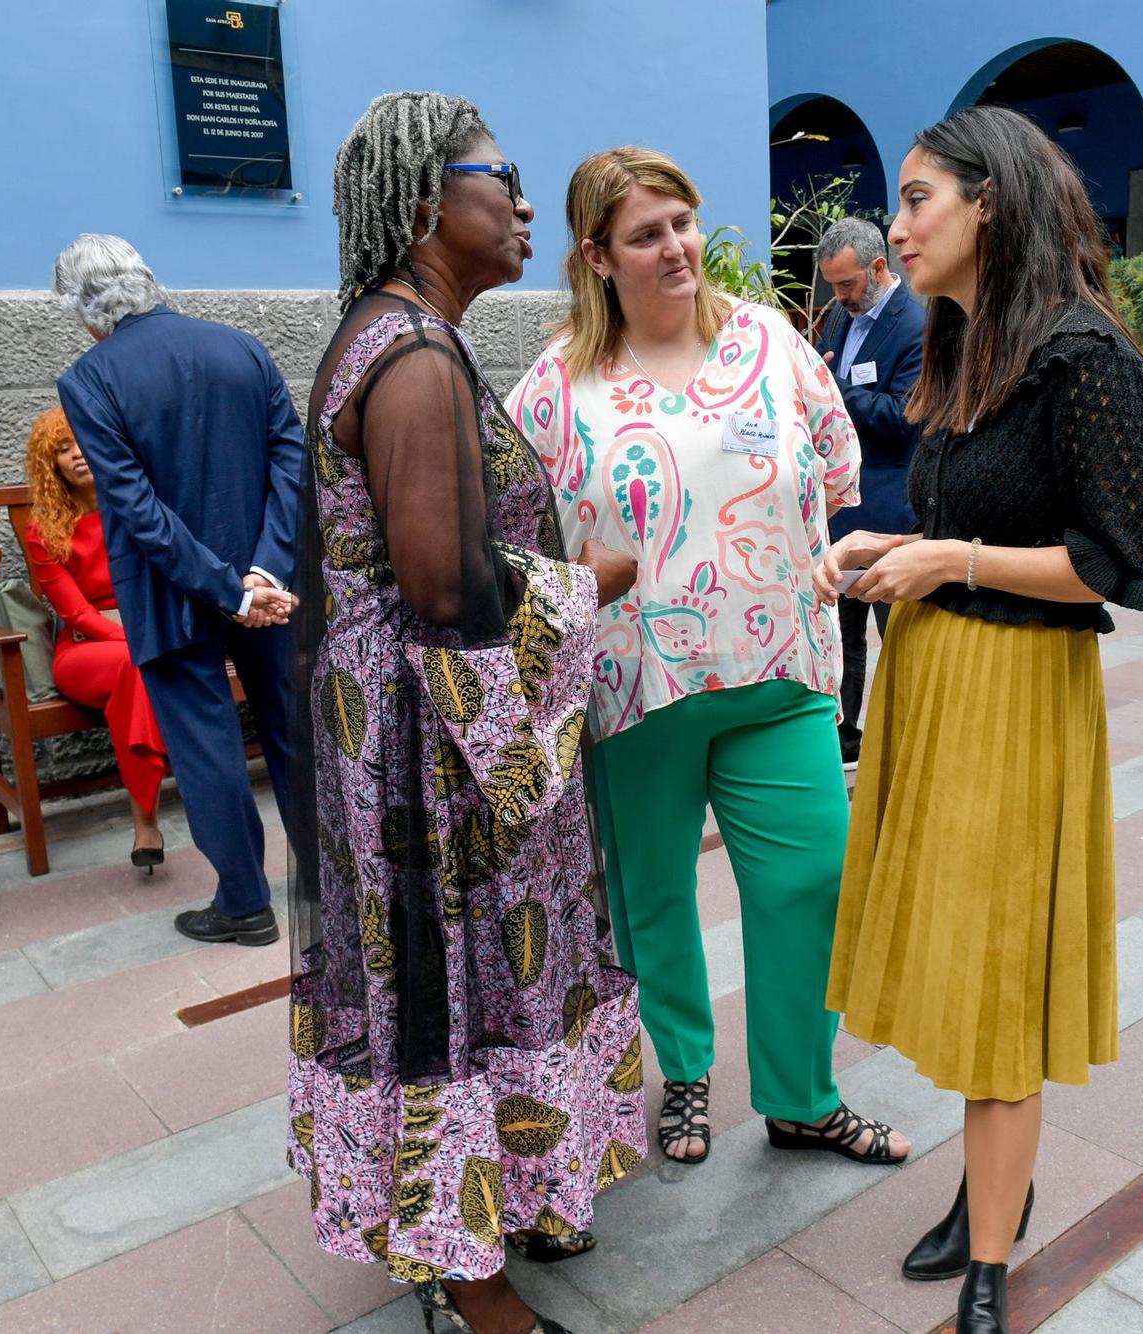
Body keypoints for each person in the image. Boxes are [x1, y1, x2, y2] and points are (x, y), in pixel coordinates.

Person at [814, 106, 1143, 1334]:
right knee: (952, 954)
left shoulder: (1086, 357)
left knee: (997, 979)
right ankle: (993, 1193)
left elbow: (1115, 565)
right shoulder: (962, 345)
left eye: (916, 197)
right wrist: (890, 547)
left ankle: (988, 1265)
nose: (893, 222)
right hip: (935, 682)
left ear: (989, 202)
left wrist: (950, 556)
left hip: (1018, 698)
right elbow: (967, 523)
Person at [286, 92, 645, 1334]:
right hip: (427, 757)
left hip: (412, 731)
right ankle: (465, 1271)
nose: (527, 203)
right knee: (444, 987)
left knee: (480, 980)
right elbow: (440, 583)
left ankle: (506, 1196)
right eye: (504, 177)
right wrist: (587, 581)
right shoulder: (412, 354)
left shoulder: (393, 336)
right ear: (430, 199)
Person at [509, 147, 910, 1173]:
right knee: (651, 897)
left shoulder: (770, 340)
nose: (676, 247)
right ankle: (682, 1068)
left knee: (812, 878)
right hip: (637, 688)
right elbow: (515, 531)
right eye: (646, 234)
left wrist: (804, 561)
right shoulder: (554, 385)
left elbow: (833, 463)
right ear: (598, 256)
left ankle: (799, 1094)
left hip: (775, 667)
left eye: (682, 221)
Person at [52, 234, 303, 946]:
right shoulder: (240, 347)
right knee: (291, 732)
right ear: (148, 279)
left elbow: (134, 506)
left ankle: (245, 903)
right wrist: (265, 569)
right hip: (265, 580)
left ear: (81, 307)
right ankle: (334, 890)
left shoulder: (90, 377)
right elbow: (291, 455)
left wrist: (230, 587)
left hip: (170, 590)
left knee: (206, 747)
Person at [21, 405, 169, 871]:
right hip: (86, 647)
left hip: (145, 635)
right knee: (134, 667)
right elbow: (76, 613)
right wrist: (134, 638)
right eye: (63, 450)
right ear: (52, 465)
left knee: (138, 674)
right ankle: (145, 818)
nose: (77, 455)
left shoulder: (132, 505)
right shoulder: (43, 530)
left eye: (82, 443)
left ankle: (146, 822)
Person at [813, 217, 925, 767]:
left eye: (848, 285)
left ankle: (905, 737)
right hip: (840, 507)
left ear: (879, 268)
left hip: (888, 506)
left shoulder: (917, 325)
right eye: (833, 285)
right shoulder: (840, 315)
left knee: (896, 632)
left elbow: (905, 417)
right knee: (844, 631)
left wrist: (833, 394)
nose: (840, 297)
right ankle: (847, 735)